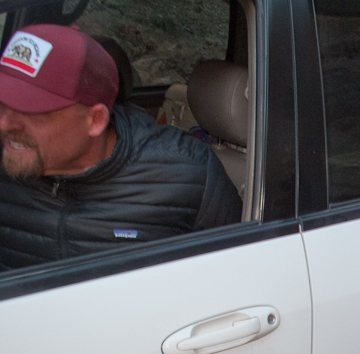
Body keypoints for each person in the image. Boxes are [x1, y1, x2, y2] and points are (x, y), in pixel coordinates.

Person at [0, 23, 242, 271]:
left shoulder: (189, 176)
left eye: (31, 112)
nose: (4, 123)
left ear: (95, 121)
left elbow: (239, 276)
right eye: (2, 104)